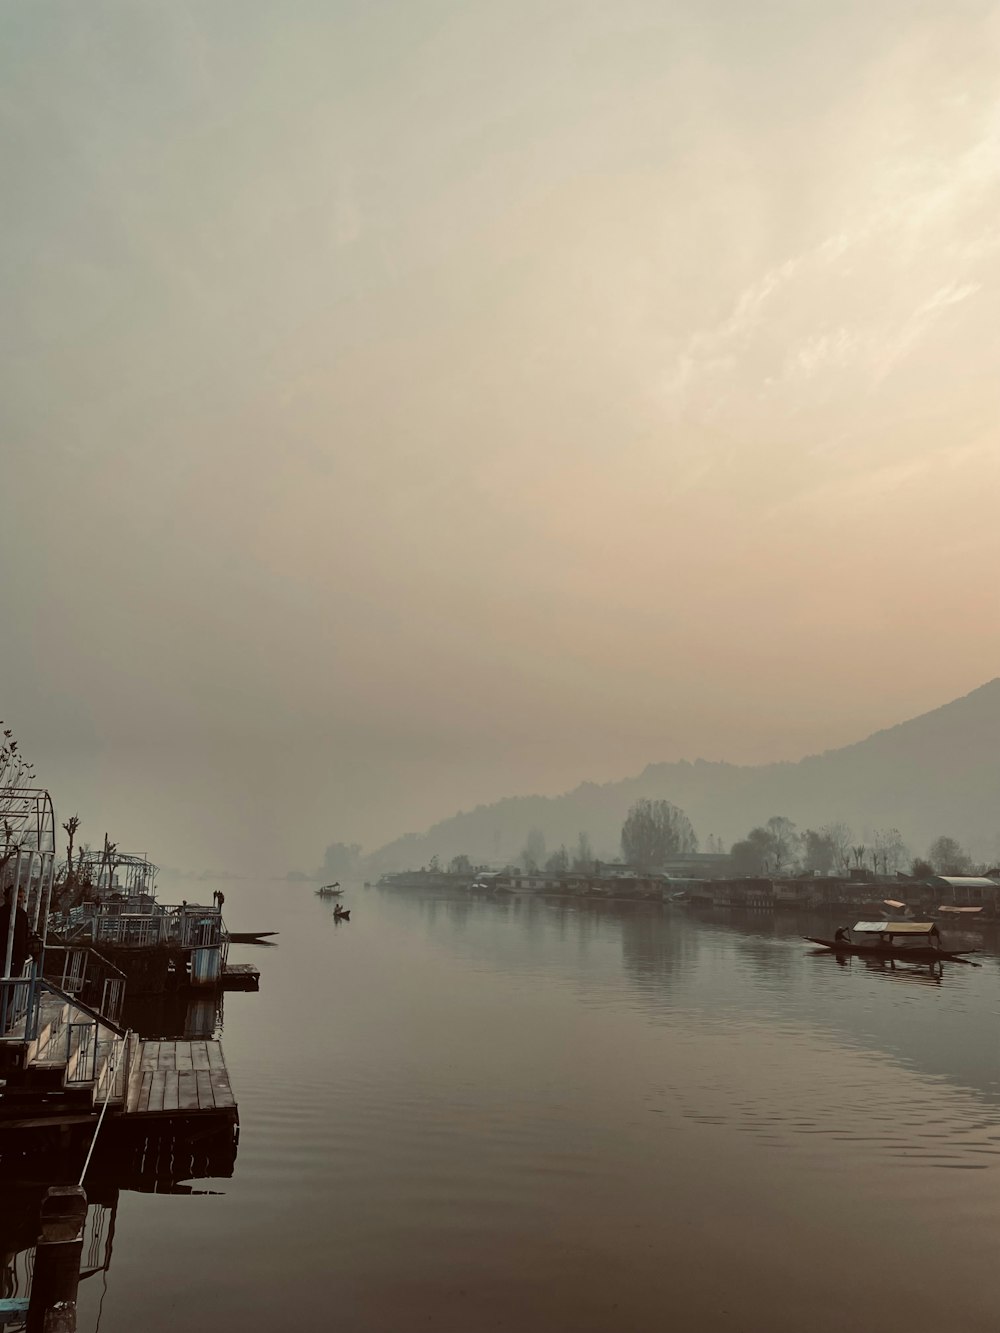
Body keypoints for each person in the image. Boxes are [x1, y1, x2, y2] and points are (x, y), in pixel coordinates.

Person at [0, 887, 30, 977]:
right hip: (2, 956)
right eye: (17, 896)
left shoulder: (23, 914)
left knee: (13, 985)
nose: (19, 900)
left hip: (17, 959)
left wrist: (24, 955)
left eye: (21, 897)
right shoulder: (2, 913)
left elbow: (25, 935)